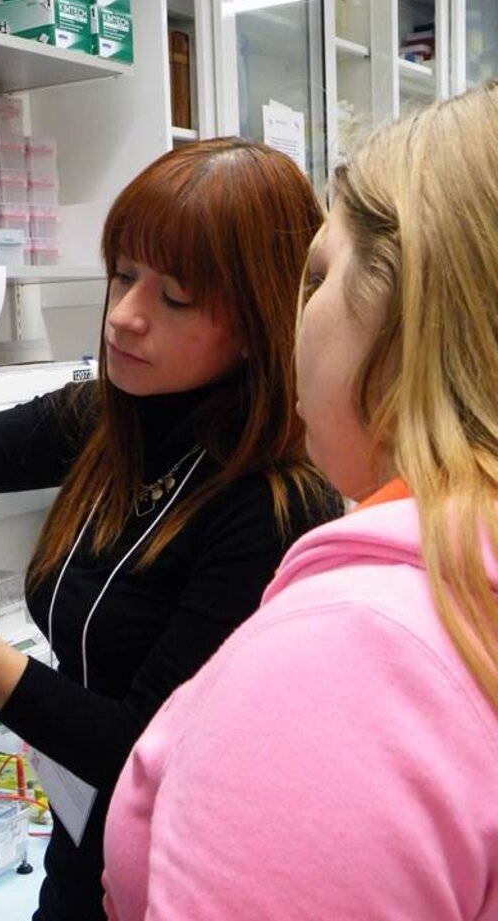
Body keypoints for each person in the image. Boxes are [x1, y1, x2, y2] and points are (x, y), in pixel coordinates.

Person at [0, 138, 340, 921]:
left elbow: (130, 744)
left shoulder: (273, 507)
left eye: (175, 298)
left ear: (255, 323)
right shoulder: (105, 422)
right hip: (81, 849)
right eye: (123, 274)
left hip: (178, 873)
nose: (126, 316)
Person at [98, 81, 498, 919]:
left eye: (315, 276)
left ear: (408, 313)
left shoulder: (357, 654)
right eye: (120, 276)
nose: (297, 320)